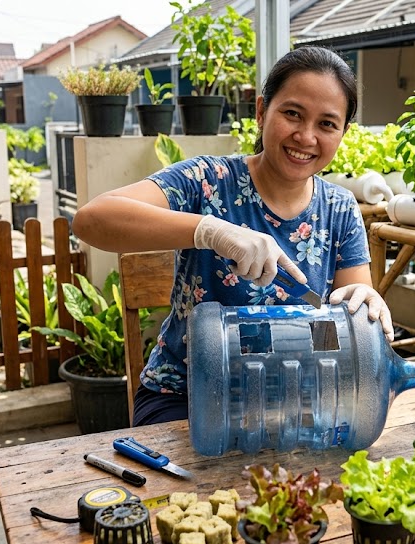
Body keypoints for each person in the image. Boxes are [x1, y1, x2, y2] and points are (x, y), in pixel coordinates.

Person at [72, 46, 394, 426]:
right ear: (261, 112)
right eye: (292, 114)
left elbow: (347, 327)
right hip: (184, 397)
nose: (306, 137)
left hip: (295, 401)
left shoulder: (340, 208)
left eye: (327, 123)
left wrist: (363, 306)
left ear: (343, 132)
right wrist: (210, 230)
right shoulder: (206, 181)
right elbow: (92, 219)